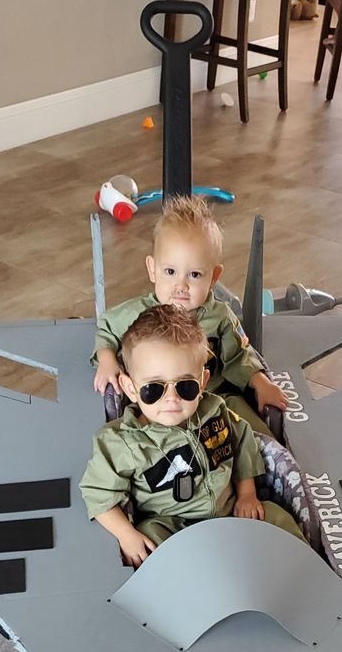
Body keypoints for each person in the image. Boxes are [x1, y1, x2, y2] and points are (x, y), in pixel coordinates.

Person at [80, 304, 304, 568]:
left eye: (185, 386)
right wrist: (126, 535)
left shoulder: (215, 410)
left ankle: (302, 571)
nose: (171, 398)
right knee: (149, 540)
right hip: (171, 525)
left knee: (278, 517)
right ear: (130, 388)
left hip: (228, 512)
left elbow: (243, 440)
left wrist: (246, 494)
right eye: (153, 389)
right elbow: (97, 493)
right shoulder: (122, 442)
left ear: (203, 380)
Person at [92, 195, 288, 437]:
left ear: (214, 277)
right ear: (152, 269)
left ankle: (268, 466)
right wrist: (107, 359)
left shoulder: (219, 317)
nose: (181, 285)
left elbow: (238, 356)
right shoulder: (138, 314)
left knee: (254, 434)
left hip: (215, 398)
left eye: (194, 274)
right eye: (170, 271)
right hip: (160, 406)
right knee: (134, 439)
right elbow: (107, 328)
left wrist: (261, 383)